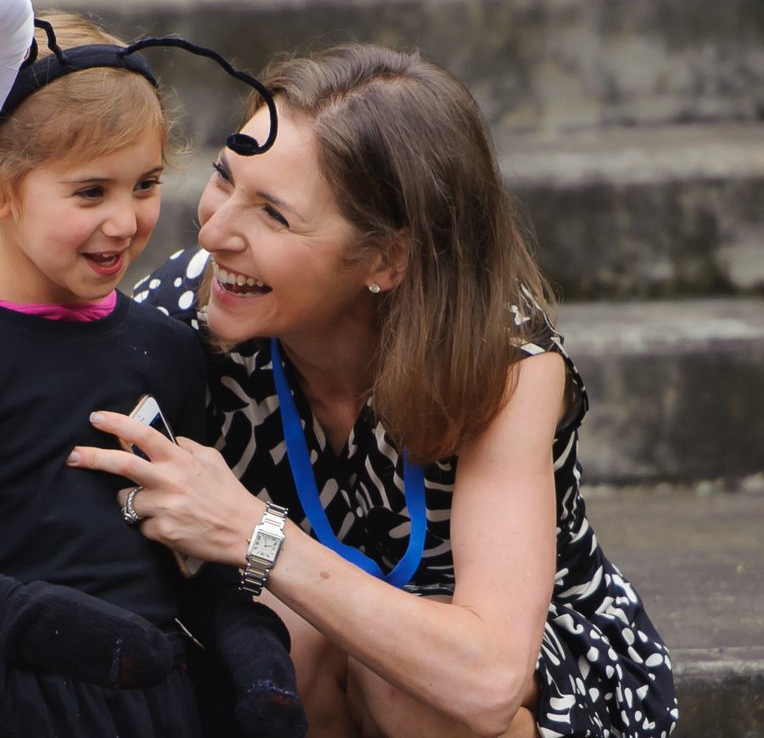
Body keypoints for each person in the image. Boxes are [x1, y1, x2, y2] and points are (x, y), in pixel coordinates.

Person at [65, 44, 679, 737]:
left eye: (273, 214)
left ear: (386, 258)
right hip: (314, 637)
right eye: (224, 178)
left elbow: (486, 678)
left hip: (525, 669)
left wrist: (250, 532)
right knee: (274, 641)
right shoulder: (188, 311)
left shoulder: (500, 355)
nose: (214, 230)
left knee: (403, 685)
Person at [0, 13, 304, 738]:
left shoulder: (169, 347)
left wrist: (252, 648)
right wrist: (35, 622)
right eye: (91, 192)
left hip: (149, 701)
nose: (126, 221)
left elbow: (193, 544)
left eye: (146, 183)